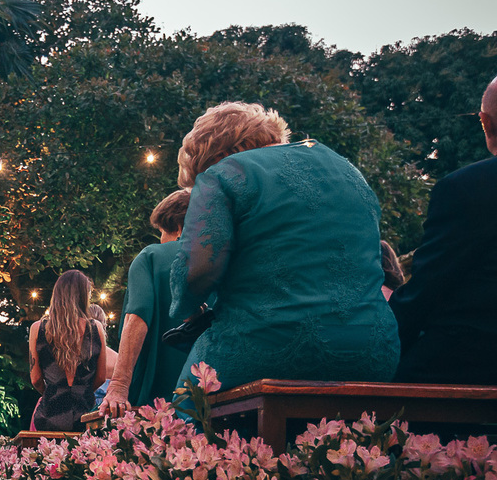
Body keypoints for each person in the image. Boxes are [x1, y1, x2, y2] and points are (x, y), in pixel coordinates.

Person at [169, 101, 399, 392]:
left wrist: (187, 307)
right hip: (372, 351)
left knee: (184, 416)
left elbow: (198, 269)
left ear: (218, 154)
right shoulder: (347, 169)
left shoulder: (225, 173)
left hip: (267, 346)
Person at [389, 76, 497, 385]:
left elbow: (428, 288)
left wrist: (380, 337)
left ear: (485, 123)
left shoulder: (466, 188)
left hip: (473, 358)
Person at [99, 190, 194, 417]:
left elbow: (137, 317)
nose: (160, 240)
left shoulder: (151, 256)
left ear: (178, 227)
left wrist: (120, 385)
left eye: (161, 232)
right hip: (211, 392)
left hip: (157, 399)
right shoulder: (220, 260)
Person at [29, 270, 108, 432]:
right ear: (84, 296)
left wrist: (52, 392)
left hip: (50, 415)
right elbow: (101, 377)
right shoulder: (96, 328)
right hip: (86, 416)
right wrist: (82, 390)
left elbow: (36, 379)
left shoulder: (38, 329)